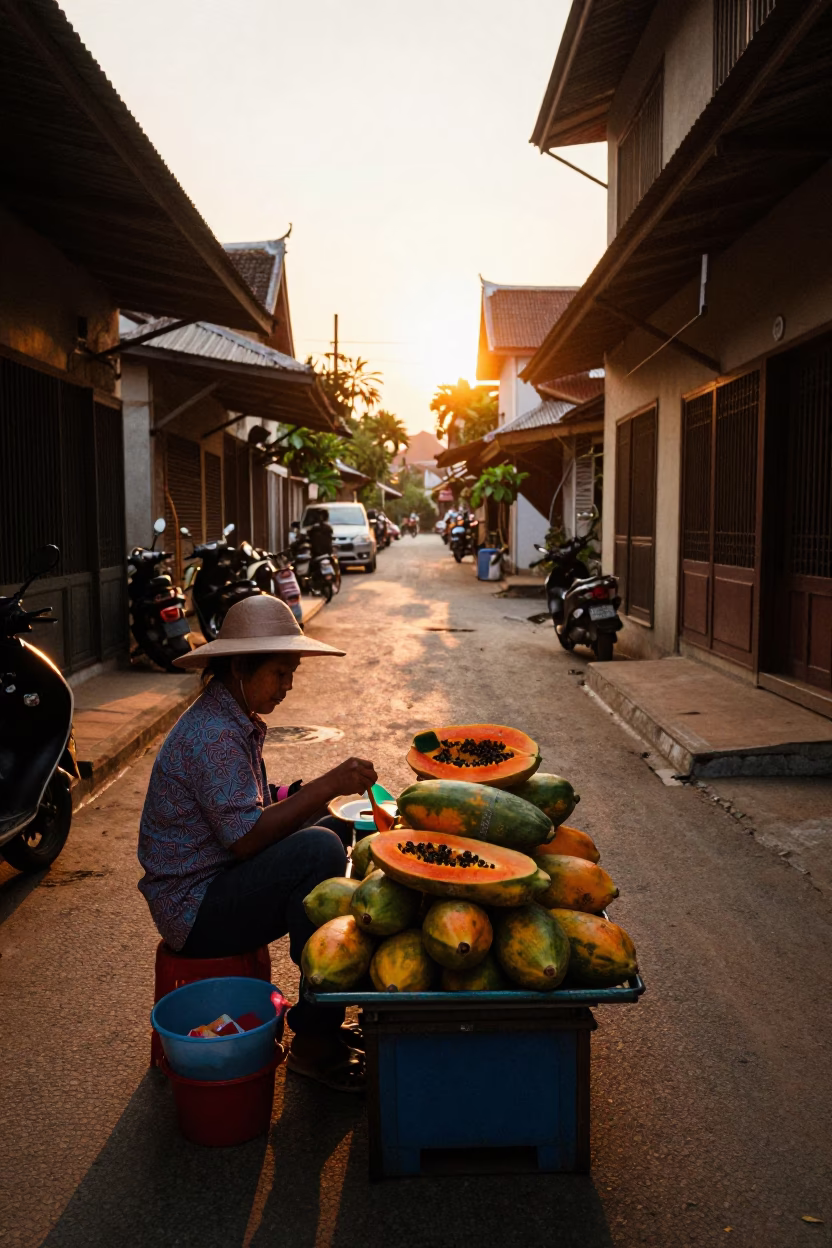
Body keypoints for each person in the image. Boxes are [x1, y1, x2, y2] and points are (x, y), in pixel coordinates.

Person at [137, 595, 377, 1092]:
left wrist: (308, 796)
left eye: (291, 673)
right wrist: (330, 783)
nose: (287, 686)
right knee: (319, 851)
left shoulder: (233, 717)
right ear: (242, 667)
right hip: (194, 907)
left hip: (217, 880)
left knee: (330, 829)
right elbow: (245, 839)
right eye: (280, 673)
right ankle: (314, 1038)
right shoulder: (214, 734)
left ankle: (320, 1008)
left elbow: (252, 801)